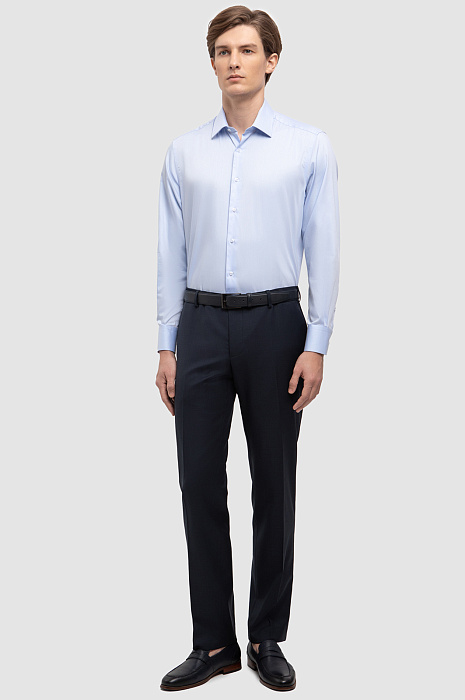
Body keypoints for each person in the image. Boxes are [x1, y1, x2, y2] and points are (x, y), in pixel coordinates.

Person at [156, 5, 340, 692]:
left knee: (275, 483)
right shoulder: (184, 152)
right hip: (200, 324)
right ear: (211, 63)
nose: (234, 60)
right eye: (222, 51)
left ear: (271, 60)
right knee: (198, 481)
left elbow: (324, 247)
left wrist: (316, 341)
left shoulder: (307, 147)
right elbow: (169, 253)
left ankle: (265, 636)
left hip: (276, 325)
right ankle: (213, 643)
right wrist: (166, 344)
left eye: (247, 49)